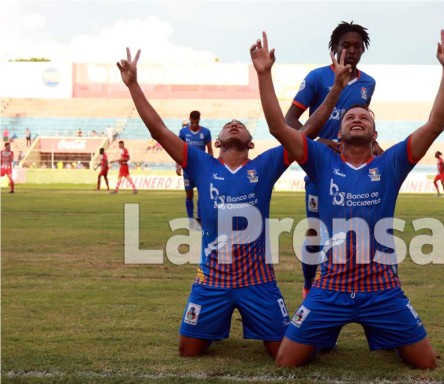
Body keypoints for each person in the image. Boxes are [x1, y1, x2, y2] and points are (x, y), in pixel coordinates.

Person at [116, 46, 349, 358]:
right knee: (188, 351)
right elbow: (158, 130)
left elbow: (307, 130)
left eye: (240, 124)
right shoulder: (201, 164)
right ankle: (217, 318)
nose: (235, 124)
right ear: (218, 141)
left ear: (251, 143)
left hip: (259, 282)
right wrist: (133, 85)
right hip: (212, 280)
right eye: (229, 124)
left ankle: (258, 316)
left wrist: (334, 91)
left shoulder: (264, 165)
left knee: (283, 353)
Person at [251, 29, 444, 369]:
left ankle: (390, 329)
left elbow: (435, 124)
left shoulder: (391, 163)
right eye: (350, 117)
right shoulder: (321, 159)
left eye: (364, 117)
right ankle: (316, 311)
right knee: (286, 362)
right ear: (340, 131)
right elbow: (279, 127)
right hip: (330, 288)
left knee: (426, 364)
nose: (357, 118)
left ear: (375, 133)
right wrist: (264, 75)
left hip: (383, 290)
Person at [284, 21, 377, 299]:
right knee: (316, 233)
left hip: (352, 168)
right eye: (345, 45)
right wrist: (316, 143)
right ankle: (309, 289)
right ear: (334, 48)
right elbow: (290, 120)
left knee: (357, 233)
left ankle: (357, 291)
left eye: (357, 46)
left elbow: (361, 122)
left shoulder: (368, 84)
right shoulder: (316, 78)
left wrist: (377, 147)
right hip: (320, 166)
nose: (351, 50)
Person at [176, 110, 214, 229]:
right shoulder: (183, 132)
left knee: (202, 193)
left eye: (196, 122)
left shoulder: (206, 132)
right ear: (189, 120)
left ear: (199, 121)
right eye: (192, 122)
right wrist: (178, 165)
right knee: (189, 194)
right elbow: (178, 149)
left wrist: (211, 164)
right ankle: (190, 220)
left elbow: (209, 150)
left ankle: (199, 218)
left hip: (201, 168)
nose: (194, 125)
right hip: (187, 168)